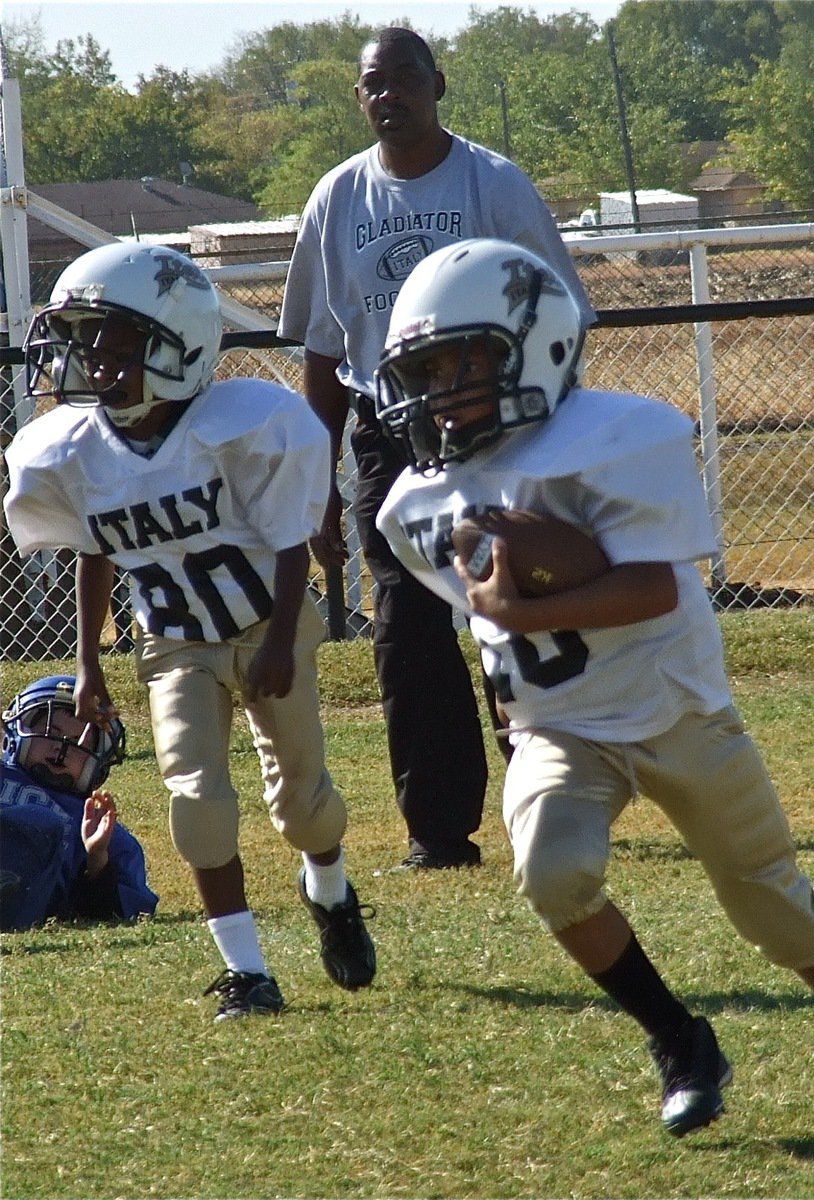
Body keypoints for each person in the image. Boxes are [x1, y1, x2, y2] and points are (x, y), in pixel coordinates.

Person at [373, 238, 814, 1134]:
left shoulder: (617, 436)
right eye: (420, 369)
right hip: (561, 725)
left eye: (454, 363)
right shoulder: (413, 504)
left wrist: (530, 609)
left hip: (676, 709)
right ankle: (677, 1039)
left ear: (532, 345)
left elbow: (650, 586)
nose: (435, 391)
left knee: (772, 911)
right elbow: (486, 620)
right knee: (552, 872)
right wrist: (511, 677)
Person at [3, 242, 376, 1020]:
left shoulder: (245, 424)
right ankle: (247, 971)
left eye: (113, 346)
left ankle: (330, 891)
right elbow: (95, 550)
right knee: (195, 796)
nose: (92, 364)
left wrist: (278, 641)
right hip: (170, 639)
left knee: (302, 803)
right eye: (82, 344)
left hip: (263, 623)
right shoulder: (72, 449)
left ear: (179, 344)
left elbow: (284, 537)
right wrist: (88, 665)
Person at [278, 27, 596, 871]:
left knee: (514, 609)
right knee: (407, 626)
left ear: (437, 85)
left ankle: (554, 797)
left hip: (496, 427)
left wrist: (552, 445)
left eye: (406, 78)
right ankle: (437, 831)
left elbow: (561, 317)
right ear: (359, 97)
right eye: (374, 82)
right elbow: (321, 352)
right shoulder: (337, 198)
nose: (391, 94)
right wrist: (318, 482)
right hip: (389, 435)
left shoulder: (493, 184)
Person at [0, 674, 158, 931]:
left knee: (42, 821)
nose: (60, 748)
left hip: (19, 905)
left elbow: (110, 913)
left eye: (76, 743)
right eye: (52, 733)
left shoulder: (97, 827)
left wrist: (96, 858)